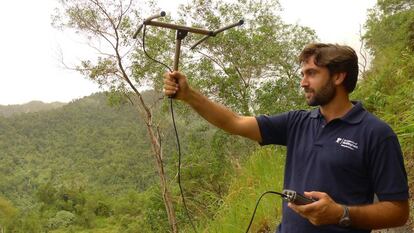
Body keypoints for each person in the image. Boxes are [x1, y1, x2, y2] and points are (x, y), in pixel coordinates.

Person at [163, 43, 409, 233]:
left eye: (311, 73)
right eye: (303, 74)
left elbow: (398, 212)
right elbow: (234, 123)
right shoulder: (297, 122)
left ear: (338, 76)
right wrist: (189, 95)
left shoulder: (376, 134)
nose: (303, 82)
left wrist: (341, 213)